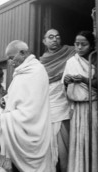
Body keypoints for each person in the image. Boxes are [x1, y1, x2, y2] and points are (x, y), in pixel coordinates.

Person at [0, 40, 52, 172]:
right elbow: (19, 97)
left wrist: (2, 118)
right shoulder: (22, 72)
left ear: (23, 53)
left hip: (30, 134)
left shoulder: (36, 72)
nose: (10, 62)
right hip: (17, 132)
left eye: (12, 58)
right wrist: (6, 100)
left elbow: (32, 110)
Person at [40, 28, 75, 171]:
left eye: (57, 36)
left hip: (63, 105)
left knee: (64, 146)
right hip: (47, 108)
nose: (55, 39)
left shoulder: (71, 52)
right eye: (51, 37)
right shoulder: (41, 62)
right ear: (44, 41)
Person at [62, 31, 97, 172]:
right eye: (77, 44)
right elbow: (64, 87)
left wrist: (82, 79)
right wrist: (66, 82)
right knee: (78, 141)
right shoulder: (71, 62)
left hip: (93, 107)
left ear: (91, 45)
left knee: (92, 139)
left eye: (84, 44)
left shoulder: (95, 59)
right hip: (77, 108)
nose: (80, 47)